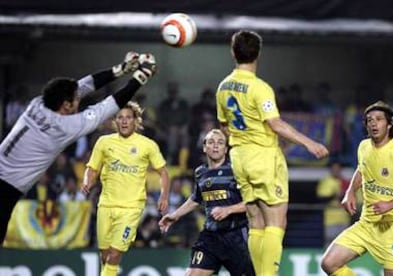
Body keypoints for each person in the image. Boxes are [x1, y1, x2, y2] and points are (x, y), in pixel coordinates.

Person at [0, 51, 157, 245]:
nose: (79, 100)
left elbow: (83, 86)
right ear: (66, 105)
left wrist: (120, 70)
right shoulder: (64, 127)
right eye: (75, 100)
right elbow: (108, 107)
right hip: (5, 189)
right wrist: (140, 78)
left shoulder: (38, 103)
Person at [215, 30, 329, 275]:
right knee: (277, 222)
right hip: (263, 157)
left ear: (233, 52)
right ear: (258, 54)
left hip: (239, 156)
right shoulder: (260, 88)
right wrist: (308, 143)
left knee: (255, 221)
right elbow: (275, 124)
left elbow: (224, 126)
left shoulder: (223, 87)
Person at [321, 101, 393, 276]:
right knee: (329, 263)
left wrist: (390, 205)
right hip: (367, 224)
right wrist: (350, 192)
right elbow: (362, 169)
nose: (373, 123)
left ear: (389, 124)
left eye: (379, 119)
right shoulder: (364, 147)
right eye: (369, 120)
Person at [82, 101, 170, 276]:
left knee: (115, 255)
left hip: (131, 208)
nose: (124, 121)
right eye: (120, 117)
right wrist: (87, 181)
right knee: (105, 255)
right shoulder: (104, 142)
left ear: (136, 121)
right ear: (115, 121)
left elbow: (164, 173)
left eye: (128, 117)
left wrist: (164, 196)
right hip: (106, 205)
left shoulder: (147, 145)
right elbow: (92, 168)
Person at [159, 129, 255, 276]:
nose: (215, 146)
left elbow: (252, 201)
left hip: (236, 236)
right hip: (210, 237)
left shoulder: (236, 171)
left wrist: (228, 210)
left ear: (225, 149)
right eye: (211, 142)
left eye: (220, 143)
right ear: (204, 147)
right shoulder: (200, 172)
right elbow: (196, 198)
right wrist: (175, 215)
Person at [316, 161, 351, 246]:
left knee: (344, 244)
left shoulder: (346, 182)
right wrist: (335, 195)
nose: (336, 170)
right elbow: (321, 199)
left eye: (338, 168)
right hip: (330, 220)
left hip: (344, 218)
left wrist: (344, 195)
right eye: (334, 168)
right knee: (330, 244)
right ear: (330, 170)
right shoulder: (326, 181)